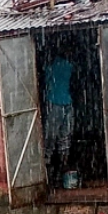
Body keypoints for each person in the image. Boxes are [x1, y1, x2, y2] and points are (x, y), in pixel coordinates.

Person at [43, 54, 74, 187]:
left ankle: (48, 176)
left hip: (55, 103)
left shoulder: (50, 68)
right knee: (65, 139)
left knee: (49, 140)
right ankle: (63, 169)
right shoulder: (69, 66)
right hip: (67, 102)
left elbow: (45, 83)